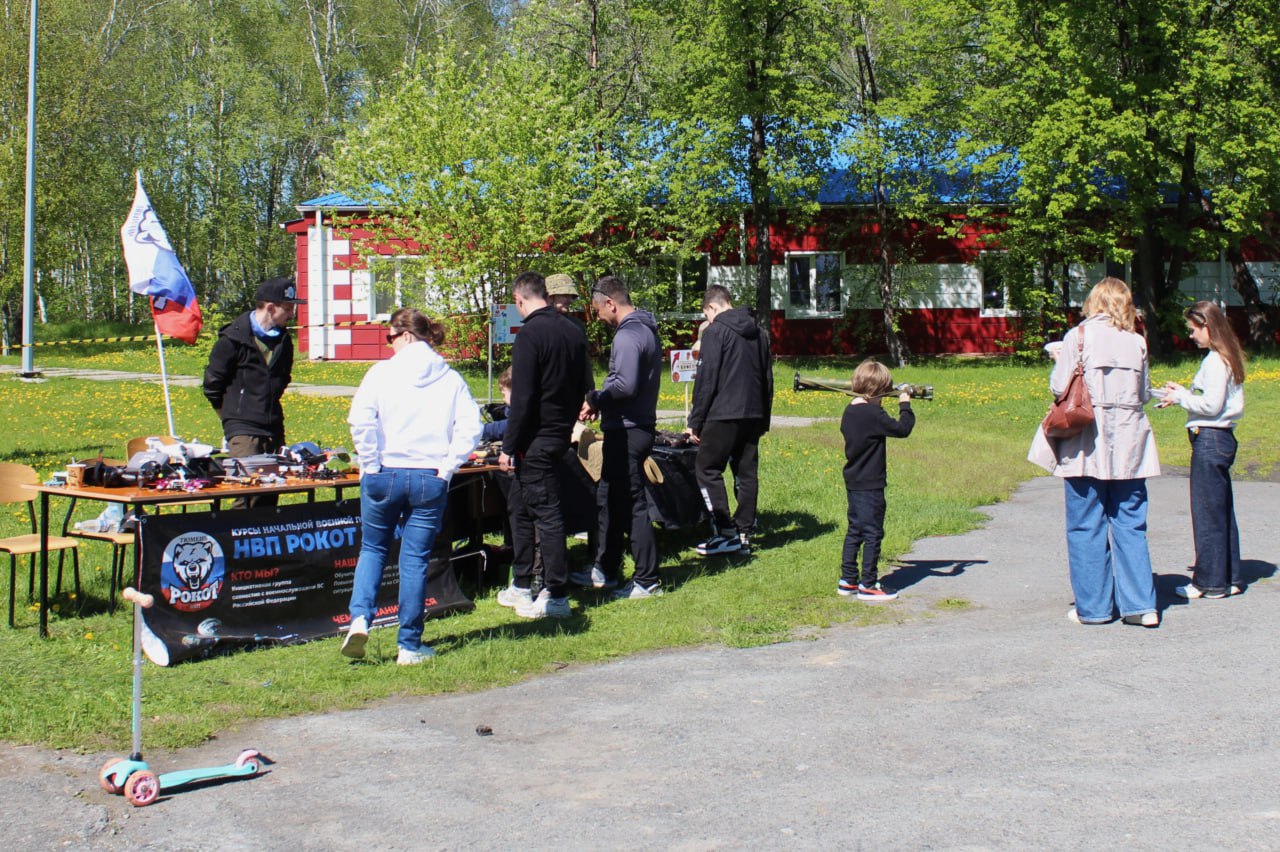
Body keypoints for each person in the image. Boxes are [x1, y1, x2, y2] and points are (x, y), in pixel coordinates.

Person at [341, 308, 482, 665]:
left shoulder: (381, 373)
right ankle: (409, 644)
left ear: (405, 336)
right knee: (415, 561)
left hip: (384, 472)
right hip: (428, 476)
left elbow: (360, 420)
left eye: (389, 338)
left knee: (372, 549)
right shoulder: (449, 378)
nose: (388, 345)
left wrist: (370, 463)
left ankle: (360, 618)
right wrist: (447, 468)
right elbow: (471, 428)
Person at [1029, 277, 1161, 627]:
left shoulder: (1078, 336)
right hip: (1131, 445)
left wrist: (1061, 358)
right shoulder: (1137, 341)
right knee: (1131, 524)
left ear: (1095, 302)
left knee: (1086, 524)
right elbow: (1144, 393)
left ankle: (1094, 608)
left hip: (1086, 443)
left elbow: (1060, 388)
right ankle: (1140, 606)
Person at [497, 272, 592, 619]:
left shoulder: (529, 336)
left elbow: (521, 399)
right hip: (561, 433)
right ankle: (522, 584)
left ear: (520, 299)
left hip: (535, 439)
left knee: (547, 515)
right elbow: (586, 383)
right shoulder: (573, 331)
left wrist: (508, 446)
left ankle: (556, 594)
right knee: (519, 507)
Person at [575, 276, 664, 599]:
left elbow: (625, 385)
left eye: (598, 309)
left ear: (611, 303)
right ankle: (606, 568)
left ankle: (647, 580)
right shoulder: (645, 329)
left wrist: (597, 398)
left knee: (631, 504)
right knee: (609, 498)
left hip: (629, 429)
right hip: (629, 425)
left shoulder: (628, 336)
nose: (597, 316)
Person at [1157, 301, 1246, 600]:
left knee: (1207, 512)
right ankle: (1229, 577)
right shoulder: (1225, 356)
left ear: (1208, 327)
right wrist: (1180, 395)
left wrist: (1182, 397)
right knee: (1221, 510)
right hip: (1221, 439)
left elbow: (1211, 405)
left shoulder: (1215, 361)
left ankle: (1208, 582)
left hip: (1210, 438)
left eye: (1194, 330)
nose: (1191, 335)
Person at [686, 285, 773, 555]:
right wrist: (764, 418)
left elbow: (706, 379)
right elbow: (768, 378)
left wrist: (695, 421)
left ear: (711, 307)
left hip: (723, 412)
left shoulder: (715, 332)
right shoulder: (759, 333)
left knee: (707, 469)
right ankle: (745, 530)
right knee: (746, 473)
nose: (708, 321)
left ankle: (725, 531)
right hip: (753, 412)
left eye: (706, 315)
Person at [202, 276, 302, 508]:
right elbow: (212, 384)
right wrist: (231, 415)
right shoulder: (232, 339)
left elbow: (283, 378)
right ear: (270, 307)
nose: (291, 314)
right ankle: (234, 542)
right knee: (249, 493)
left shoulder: (284, 340)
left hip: (273, 425)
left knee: (271, 492)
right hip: (243, 428)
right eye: (287, 308)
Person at [839, 359, 915, 601]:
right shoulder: (873, 413)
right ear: (875, 391)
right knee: (873, 532)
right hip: (871, 483)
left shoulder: (850, 410)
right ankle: (868, 584)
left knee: (855, 531)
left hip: (854, 480)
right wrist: (905, 404)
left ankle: (848, 580)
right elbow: (902, 429)